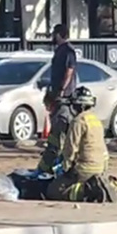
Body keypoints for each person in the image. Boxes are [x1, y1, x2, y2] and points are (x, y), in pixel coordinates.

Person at [46, 87, 117, 203]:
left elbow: (70, 148)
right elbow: (104, 150)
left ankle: (87, 191)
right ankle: (106, 185)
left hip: (84, 170)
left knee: (53, 190)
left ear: (79, 106)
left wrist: (65, 169)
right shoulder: (97, 121)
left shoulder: (78, 121)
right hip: (100, 169)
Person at [38, 24, 77, 173]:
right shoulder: (59, 51)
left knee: (61, 128)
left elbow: (69, 70)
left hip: (65, 97)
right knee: (56, 128)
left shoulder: (68, 51)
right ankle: (53, 158)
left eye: (54, 34)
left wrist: (61, 89)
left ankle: (60, 161)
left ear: (60, 34)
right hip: (57, 94)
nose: (52, 37)